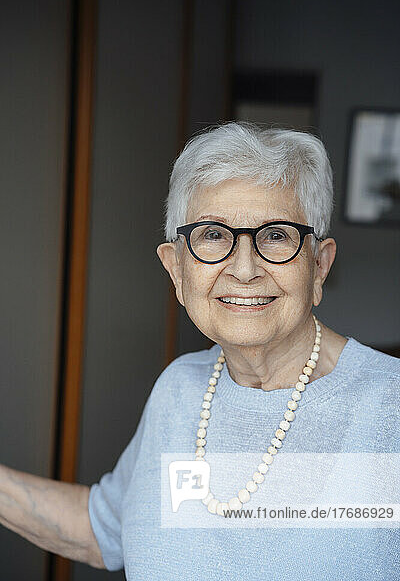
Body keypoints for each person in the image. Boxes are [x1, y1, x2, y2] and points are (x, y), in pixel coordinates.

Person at [1, 122, 399, 579]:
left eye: (275, 235)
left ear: (319, 266)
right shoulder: (179, 389)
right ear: (176, 270)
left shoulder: (390, 408)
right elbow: (105, 529)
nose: (244, 269)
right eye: (212, 235)